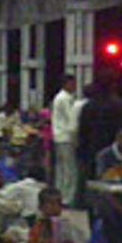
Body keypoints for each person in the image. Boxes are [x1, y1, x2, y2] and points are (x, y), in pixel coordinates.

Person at [50, 74, 79, 207]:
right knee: (69, 169)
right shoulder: (65, 99)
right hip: (66, 136)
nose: (74, 86)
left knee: (61, 169)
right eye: (72, 83)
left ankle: (59, 194)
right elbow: (71, 118)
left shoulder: (58, 97)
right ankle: (68, 197)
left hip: (59, 136)